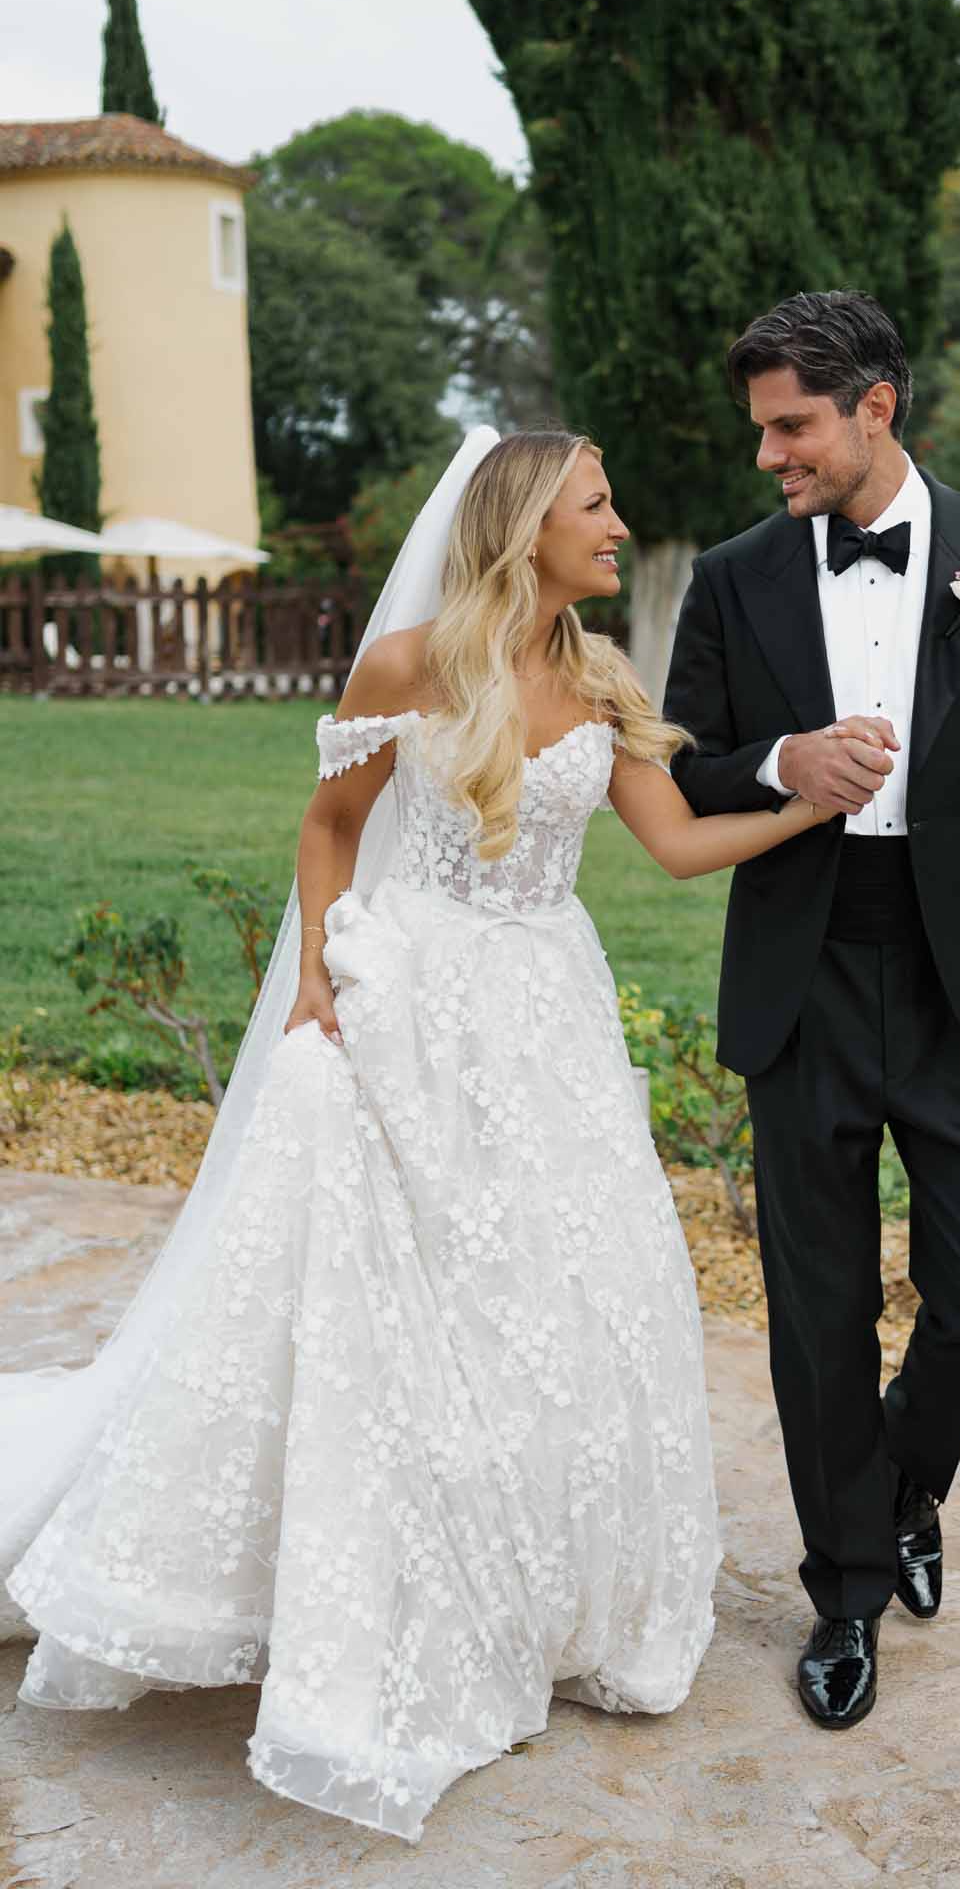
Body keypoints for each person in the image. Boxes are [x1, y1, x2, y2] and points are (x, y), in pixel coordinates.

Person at [0, 428, 837, 1842]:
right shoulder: (407, 668)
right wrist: (318, 981)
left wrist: (807, 802)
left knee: (562, 1300)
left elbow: (679, 846)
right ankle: (392, 1587)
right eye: (595, 504)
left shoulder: (596, 675)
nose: (618, 525)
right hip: (416, 999)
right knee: (408, 1302)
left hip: (549, 1022)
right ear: (523, 526)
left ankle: (543, 1589)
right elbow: (330, 829)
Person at [663, 291, 960, 1729]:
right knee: (819, 1310)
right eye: (760, 430)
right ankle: (847, 1589)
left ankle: (900, 1486)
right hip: (799, 973)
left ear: (874, 406)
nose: (768, 457)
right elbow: (682, 772)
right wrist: (784, 759)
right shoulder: (735, 577)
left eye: (790, 426)